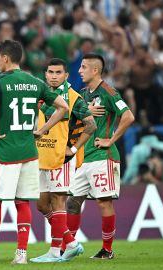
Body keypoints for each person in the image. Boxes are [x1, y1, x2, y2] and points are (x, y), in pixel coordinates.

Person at [0, 40, 68, 265]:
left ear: (6, 58)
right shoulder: (35, 81)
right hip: (29, 151)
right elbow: (63, 108)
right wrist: (42, 130)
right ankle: (21, 255)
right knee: (22, 203)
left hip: (6, 152)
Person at [66, 53, 135, 259]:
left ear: (95, 70)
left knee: (104, 202)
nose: (79, 70)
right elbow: (71, 118)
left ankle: (107, 250)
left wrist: (111, 140)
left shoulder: (108, 92)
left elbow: (128, 116)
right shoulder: (84, 93)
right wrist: (85, 110)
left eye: (84, 67)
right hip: (85, 157)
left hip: (103, 156)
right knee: (72, 201)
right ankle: (69, 247)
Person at [31, 58, 96, 263]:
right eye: (50, 72)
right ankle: (70, 243)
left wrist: (74, 148)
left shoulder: (73, 98)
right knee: (42, 204)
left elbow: (91, 125)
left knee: (58, 201)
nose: (53, 76)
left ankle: (55, 250)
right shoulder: (42, 96)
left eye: (58, 73)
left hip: (62, 157)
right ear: (45, 74)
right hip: (43, 156)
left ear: (66, 76)